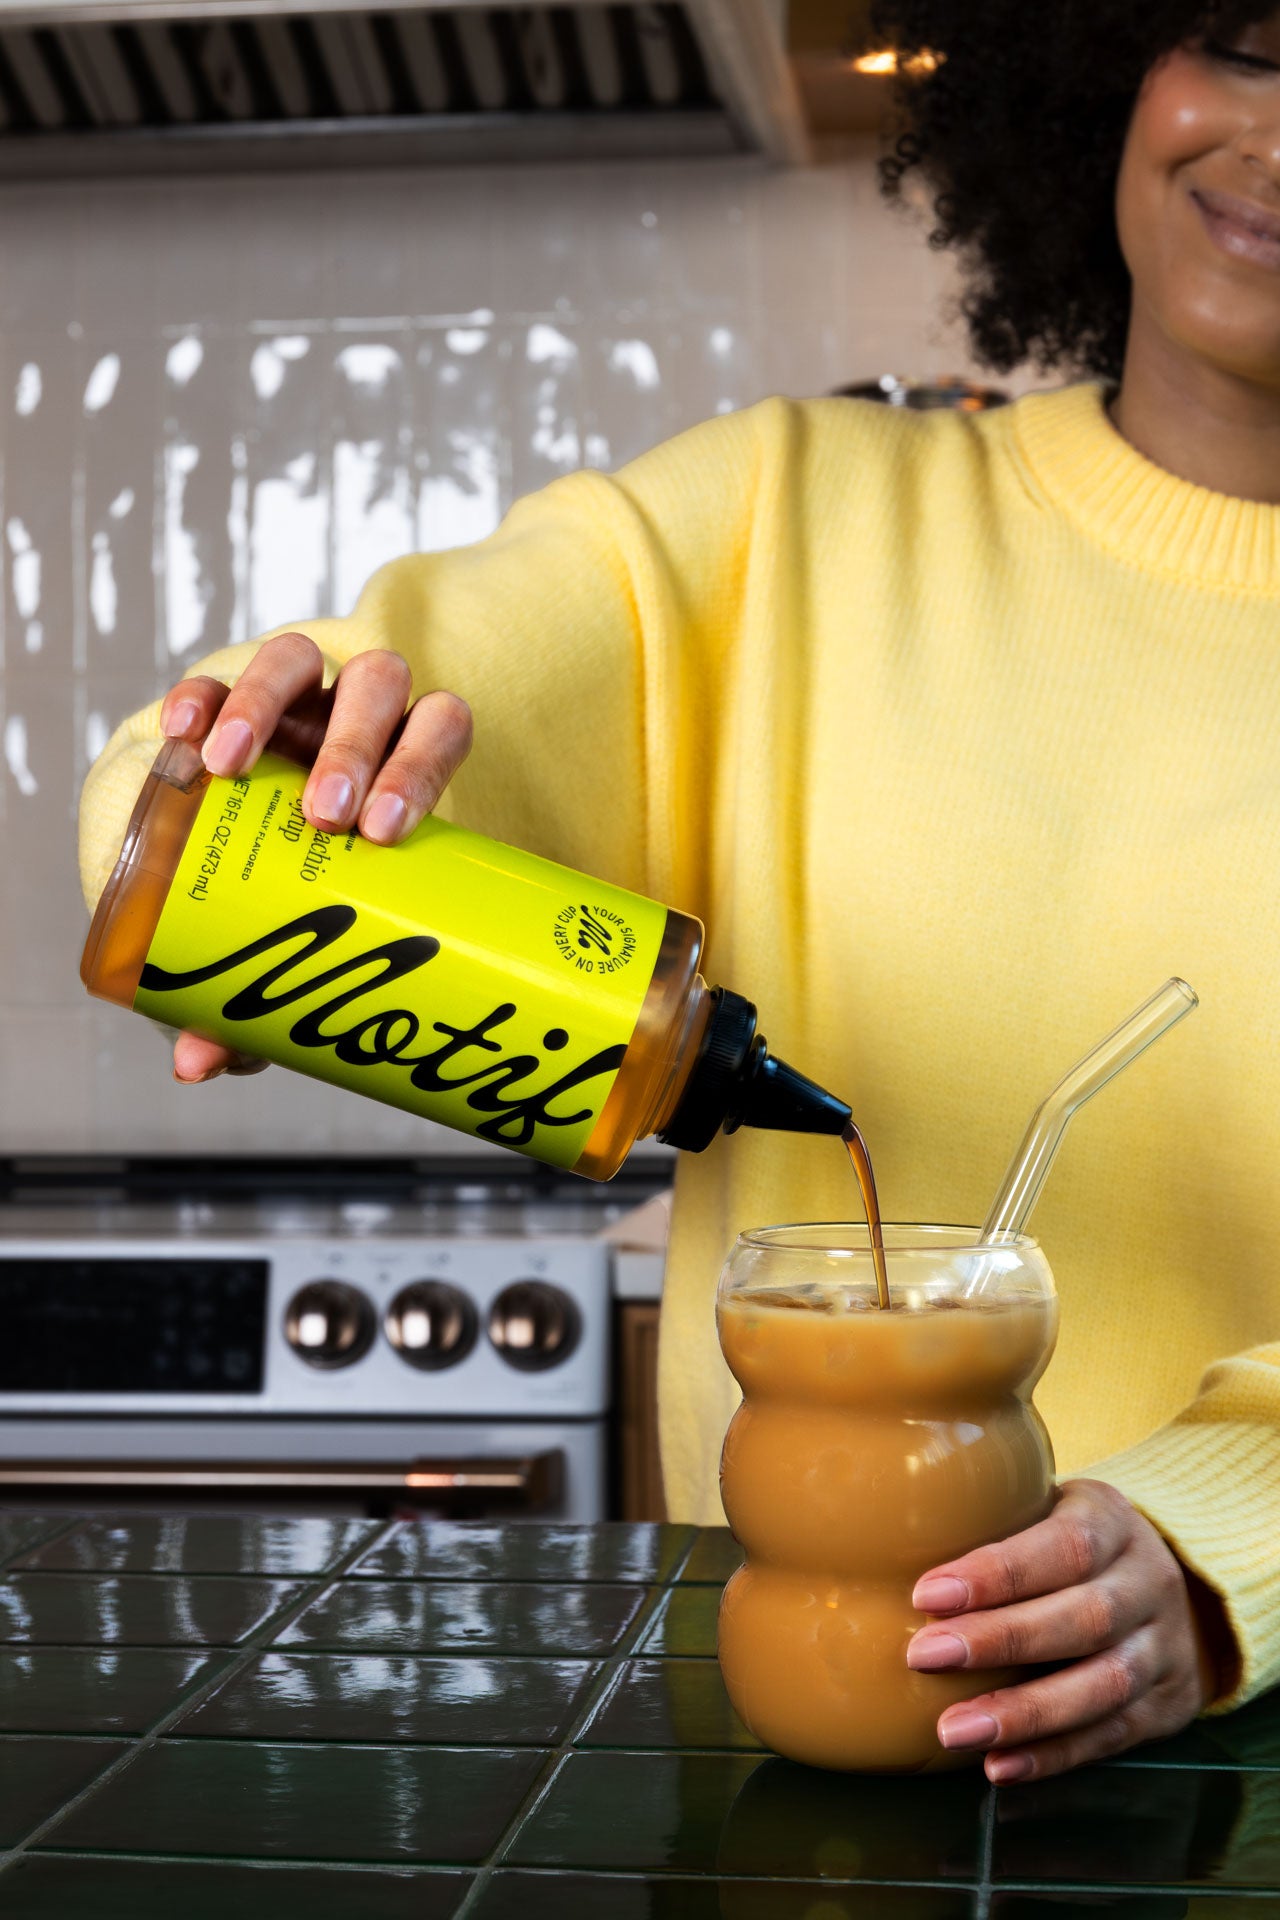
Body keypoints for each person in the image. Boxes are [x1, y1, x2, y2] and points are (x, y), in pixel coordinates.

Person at [79, 0, 1280, 1782]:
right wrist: (297, 765)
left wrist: (1218, 1555)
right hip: (779, 1757)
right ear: (1110, 66)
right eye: (1247, 47)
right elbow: (161, 808)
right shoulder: (784, 524)